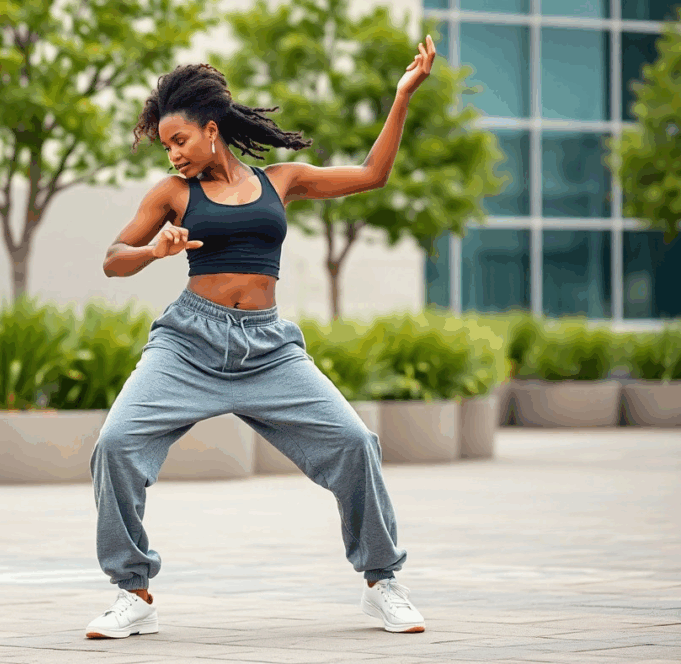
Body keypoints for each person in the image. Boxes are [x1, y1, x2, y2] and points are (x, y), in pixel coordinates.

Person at [86, 35, 437, 639]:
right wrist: (153, 249)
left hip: (267, 349)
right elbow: (113, 258)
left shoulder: (282, 180)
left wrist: (402, 96)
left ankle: (383, 582)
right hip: (187, 346)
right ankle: (133, 592)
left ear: (211, 128)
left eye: (179, 140)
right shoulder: (173, 195)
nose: (172, 154)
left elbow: (374, 175)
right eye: (166, 144)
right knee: (115, 445)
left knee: (355, 443)